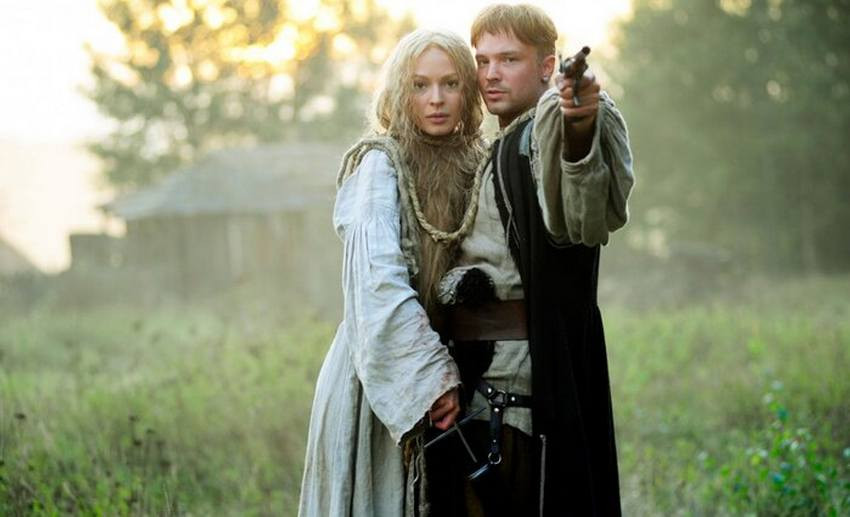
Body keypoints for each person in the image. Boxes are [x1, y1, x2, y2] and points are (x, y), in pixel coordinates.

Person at [425, 4, 635, 516]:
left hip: (512, 398)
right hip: (476, 387)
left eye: (509, 59)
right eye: (482, 61)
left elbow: (576, 194)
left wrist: (579, 123)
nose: (491, 74)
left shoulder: (540, 131)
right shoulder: (500, 144)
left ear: (547, 66)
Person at [298, 28, 489, 517]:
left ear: (468, 90)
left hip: (455, 369)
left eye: (450, 84)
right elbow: (376, 284)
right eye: (420, 85)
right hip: (383, 371)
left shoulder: (478, 163)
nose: (436, 99)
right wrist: (429, 380)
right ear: (400, 92)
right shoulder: (379, 167)